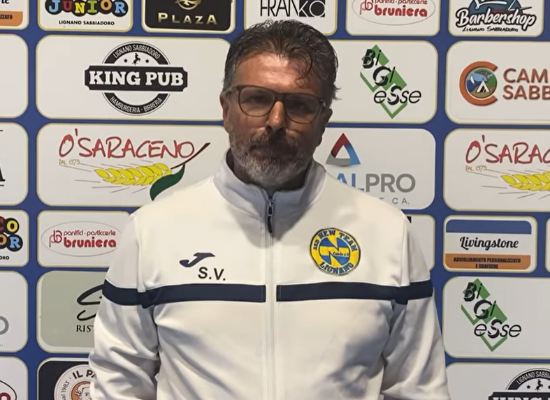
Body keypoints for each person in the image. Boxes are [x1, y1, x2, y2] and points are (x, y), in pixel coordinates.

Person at [88, 19, 451, 400]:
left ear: (323, 122)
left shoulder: (387, 232)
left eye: (299, 105)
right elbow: (119, 383)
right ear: (226, 109)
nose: (276, 121)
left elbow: (420, 389)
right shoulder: (153, 231)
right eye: (257, 99)